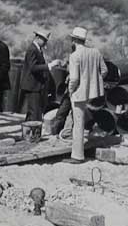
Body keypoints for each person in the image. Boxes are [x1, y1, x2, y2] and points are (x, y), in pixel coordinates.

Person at [64, 26, 107, 164]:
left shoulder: (74, 56)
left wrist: (71, 90)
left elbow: (74, 79)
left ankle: (77, 156)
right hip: (91, 93)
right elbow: (104, 71)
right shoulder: (95, 52)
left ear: (74, 40)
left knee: (78, 123)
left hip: (78, 93)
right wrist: (93, 82)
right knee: (81, 119)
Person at [19, 29, 55, 121]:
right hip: (32, 86)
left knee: (33, 111)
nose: (45, 43)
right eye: (44, 40)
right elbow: (33, 67)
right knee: (35, 112)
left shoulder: (37, 50)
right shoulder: (32, 50)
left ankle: (28, 133)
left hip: (35, 86)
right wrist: (49, 66)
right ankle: (33, 134)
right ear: (37, 38)